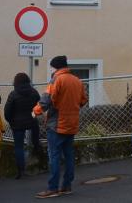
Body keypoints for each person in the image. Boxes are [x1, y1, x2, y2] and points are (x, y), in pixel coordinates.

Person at [33, 56, 88, 199]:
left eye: (51, 67)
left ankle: (53, 188)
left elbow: (46, 100)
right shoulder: (77, 81)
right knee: (69, 155)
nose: (51, 69)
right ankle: (67, 186)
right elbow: (83, 100)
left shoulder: (56, 79)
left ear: (55, 67)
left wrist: (35, 112)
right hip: (72, 123)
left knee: (54, 156)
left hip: (56, 124)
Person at [4, 72, 41, 179]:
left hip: (18, 123)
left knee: (18, 147)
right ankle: (38, 162)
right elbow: (39, 106)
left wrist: (11, 121)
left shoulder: (13, 94)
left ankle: (21, 170)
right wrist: (33, 116)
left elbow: (7, 111)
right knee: (35, 142)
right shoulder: (34, 92)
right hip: (32, 122)